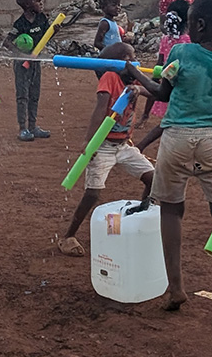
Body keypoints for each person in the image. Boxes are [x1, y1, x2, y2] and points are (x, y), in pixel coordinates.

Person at [128, 0, 212, 316]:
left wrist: (135, 73)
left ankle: (176, 287)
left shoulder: (182, 52)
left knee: (171, 211)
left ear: (198, 25)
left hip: (176, 140)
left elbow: (161, 92)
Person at [58, 43, 154, 257]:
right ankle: (68, 236)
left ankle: (141, 217)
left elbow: (155, 91)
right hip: (103, 145)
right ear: (120, 61)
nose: (134, 61)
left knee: (152, 179)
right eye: (130, 58)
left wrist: (138, 85)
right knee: (93, 193)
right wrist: (89, 142)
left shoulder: (134, 79)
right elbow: (100, 109)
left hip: (124, 145)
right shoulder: (110, 77)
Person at [135, 0, 191, 152]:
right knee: (171, 120)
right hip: (181, 85)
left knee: (172, 118)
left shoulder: (165, 39)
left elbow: (160, 62)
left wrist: (156, 78)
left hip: (166, 79)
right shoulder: (188, 41)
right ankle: (141, 146)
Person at [6, 0, 51, 142]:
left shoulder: (42, 19)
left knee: (34, 94)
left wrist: (55, 31)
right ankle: (22, 129)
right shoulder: (20, 23)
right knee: (22, 96)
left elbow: (46, 37)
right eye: (38, 1)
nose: (41, 4)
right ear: (28, 4)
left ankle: (33, 126)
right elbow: (7, 42)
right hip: (22, 64)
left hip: (36, 63)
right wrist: (22, 55)